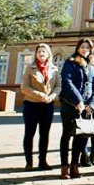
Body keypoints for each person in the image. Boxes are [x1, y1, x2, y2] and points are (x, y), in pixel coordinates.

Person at [59, 38, 94, 180]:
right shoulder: (71, 63)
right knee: (67, 135)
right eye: (82, 47)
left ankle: (74, 166)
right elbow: (67, 82)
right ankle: (64, 167)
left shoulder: (92, 66)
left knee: (82, 136)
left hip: (86, 108)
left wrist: (91, 105)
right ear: (78, 48)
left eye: (87, 47)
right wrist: (78, 101)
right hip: (70, 105)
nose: (84, 49)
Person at [20, 43, 60, 171]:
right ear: (36, 54)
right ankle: (29, 162)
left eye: (44, 51)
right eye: (39, 52)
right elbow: (24, 87)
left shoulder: (54, 69)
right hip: (31, 105)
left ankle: (42, 161)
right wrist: (40, 95)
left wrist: (52, 96)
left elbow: (59, 86)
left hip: (48, 105)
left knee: (44, 134)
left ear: (48, 54)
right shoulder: (29, 68)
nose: (41, 54)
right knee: (29, 133)